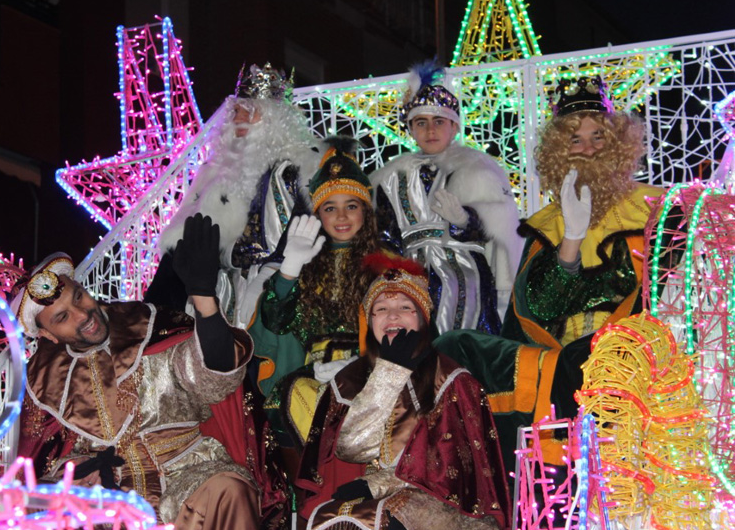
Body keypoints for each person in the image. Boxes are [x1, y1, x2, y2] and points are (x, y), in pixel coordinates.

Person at [435, 76, 666, 473]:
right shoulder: (547, 226)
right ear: (560, 153)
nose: (588, 149)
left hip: (625, 353)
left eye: (598, 137)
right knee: (454, 344)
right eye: (575, 140)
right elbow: (536, 307)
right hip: (556, 362)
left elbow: (658, 289)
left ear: (618, 145)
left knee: (597, 354)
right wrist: (571, 239)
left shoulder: (654, 210)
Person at [13, 215, 265, 530]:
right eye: (61, 317)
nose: (81, 314)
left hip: (185, 475)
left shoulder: (151, 325)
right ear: (46, 335)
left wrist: (205, 301)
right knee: (34, 516)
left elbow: (213, 381)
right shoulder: (41, 378)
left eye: (77, 298)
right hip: (104, 499)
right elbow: (40, 459)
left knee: (228, 490)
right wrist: (68, 477)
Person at [288, 253, 511, 530]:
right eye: (381, 309)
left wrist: (378, 486)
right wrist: (388, 374)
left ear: (422, 319)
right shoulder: (347, 381)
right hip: (360, 503)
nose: (392, 316)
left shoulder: (451, 379)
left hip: (436, 508)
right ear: (370, 321)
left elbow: (451, 471)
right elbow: (351, 448)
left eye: (405, 308)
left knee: (384, 526)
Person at [148, 63, 320, 328]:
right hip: (223, 291)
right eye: (236, 110)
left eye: (249, 110)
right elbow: (182, 248)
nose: (238, 117)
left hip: (281, 289)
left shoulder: (298, 169)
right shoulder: (217, 174)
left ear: (274, 119)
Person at [371, 60, 523, 335]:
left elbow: (497, 227)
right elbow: (385, 231)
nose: (430, 131)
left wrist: (464, 220)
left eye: (439, 122)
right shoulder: (391, 178)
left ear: (453, 127)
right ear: (410, 129)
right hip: (411, 270)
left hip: (464, 269)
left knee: (464, 329)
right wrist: (395, 270)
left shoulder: (478, 169)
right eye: (421, 122)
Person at [249, 137, 383, 450]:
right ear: (318, 215)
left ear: (365, 211)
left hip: (374, 370)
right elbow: (274, 326)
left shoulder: (386, 264)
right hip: (315, 375)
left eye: (351, 206)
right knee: (298, 400)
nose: (341, 217)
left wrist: (364, 365)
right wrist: (290, 269)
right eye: (330, 208)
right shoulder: (304, 265)